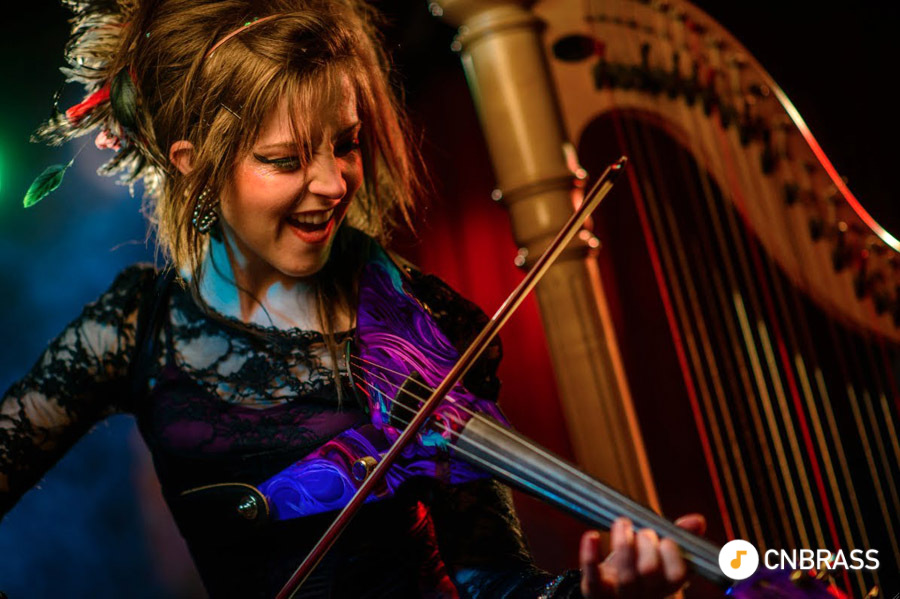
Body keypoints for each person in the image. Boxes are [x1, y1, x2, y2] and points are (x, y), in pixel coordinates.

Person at [0, 0, 706, 597]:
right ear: (196, 167)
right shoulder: (137, 325)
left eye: (346, 144)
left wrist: (591, 593)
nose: (335, 183)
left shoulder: (424, 322)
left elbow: (493, 580)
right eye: (286, 159)